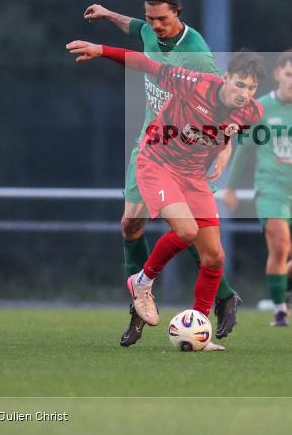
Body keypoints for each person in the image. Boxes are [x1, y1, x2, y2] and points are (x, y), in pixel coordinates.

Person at [67, 40, 265, 351]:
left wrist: (225, 149)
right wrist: (102, 50)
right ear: (225, 78)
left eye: (251, 87)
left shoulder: (252, 111)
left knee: (214, 257)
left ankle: (198, 330)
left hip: (193, 175)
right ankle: (142, 282)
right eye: (240, 84)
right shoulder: (195, 84)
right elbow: (147, 64)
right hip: (158, 162)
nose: (244, 93)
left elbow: (227, 130)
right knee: (186, 231)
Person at [82, 0, 241, 347]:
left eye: (162, 20)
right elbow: (135, 27)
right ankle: (141, 307)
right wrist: (107, 15)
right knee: (131, 224)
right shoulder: (149, 31)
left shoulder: (196, 55)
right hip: (150, 147)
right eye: (151, 18)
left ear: (178, 14)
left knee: (192, 235)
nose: (155, 26)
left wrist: (225, 146)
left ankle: (221, 295)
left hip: (185, 152)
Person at [222, 50, 292, 327]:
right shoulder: (261, 108)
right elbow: (245, 149)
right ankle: (280, 311)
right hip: (271, 189)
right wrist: (231, 187)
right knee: (280, 246)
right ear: (278, 74)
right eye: (289, 74)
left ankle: (280, 293)